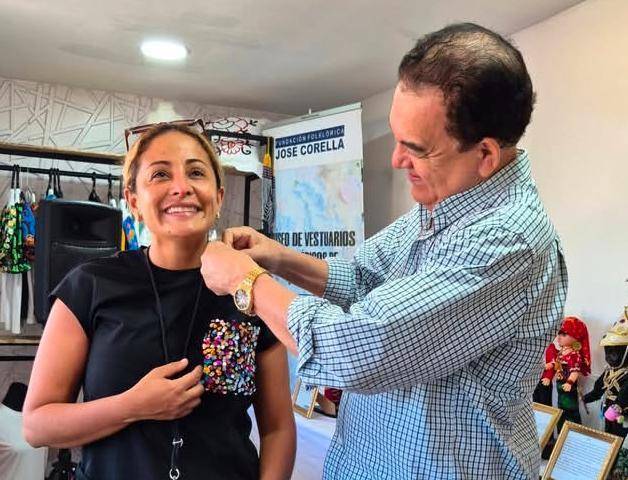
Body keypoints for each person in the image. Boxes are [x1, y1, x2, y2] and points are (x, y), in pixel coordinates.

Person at [201, 23, 567, 480]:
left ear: (485, 156)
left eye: (416, 148)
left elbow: (355, 348)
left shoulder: (506, 240)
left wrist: (245, 282)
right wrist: (277, 257)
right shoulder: (443, 203)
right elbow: (362, 277)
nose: (395, 160)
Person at [22, 123, 296, 480]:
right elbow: (37, 425)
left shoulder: (251, 289)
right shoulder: (89, 285)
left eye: (196, 172)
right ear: (134, 201)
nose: (181, 187)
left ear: (218, 197)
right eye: (161, 174)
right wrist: (132, 406)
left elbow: (277, 428)